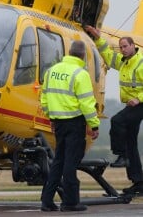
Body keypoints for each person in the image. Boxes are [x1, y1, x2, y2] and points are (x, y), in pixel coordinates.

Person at [40, 40, 100, 212]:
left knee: (58, 161)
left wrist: (51, 117)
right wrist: (94, 125)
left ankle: (47, 201)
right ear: (82, 55)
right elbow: (87, 104)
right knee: (70, 162)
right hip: (74, 123)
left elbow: (44, 98)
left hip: (58, 122)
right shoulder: (80, 74)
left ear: (69, 52)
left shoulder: (51, 71)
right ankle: (70, 202)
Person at [86, 25, 143, 194]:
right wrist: (97, 38)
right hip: (133, 105)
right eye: (121, 47)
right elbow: (109, 55)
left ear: (133, 46)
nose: (123, 50)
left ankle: (121, 155)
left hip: (140, 104)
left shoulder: (140, 63)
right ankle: (139, 183)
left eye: (126, 46)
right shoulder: (123, 61)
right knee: (131, 142)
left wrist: (138, 98)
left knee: (117, 121)